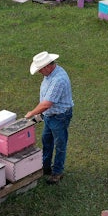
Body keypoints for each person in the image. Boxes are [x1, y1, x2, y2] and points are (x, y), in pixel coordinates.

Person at [25, 51, 73, 185]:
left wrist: (32, 113)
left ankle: (57, 172)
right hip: (50, 116)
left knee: (60, 144)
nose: (40, 72)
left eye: (40, 70)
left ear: (47, 67)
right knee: (46, 140)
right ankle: (45, 167)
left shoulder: (59, 79)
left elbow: (47, 103)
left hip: (59, 117)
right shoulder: (51, 74)